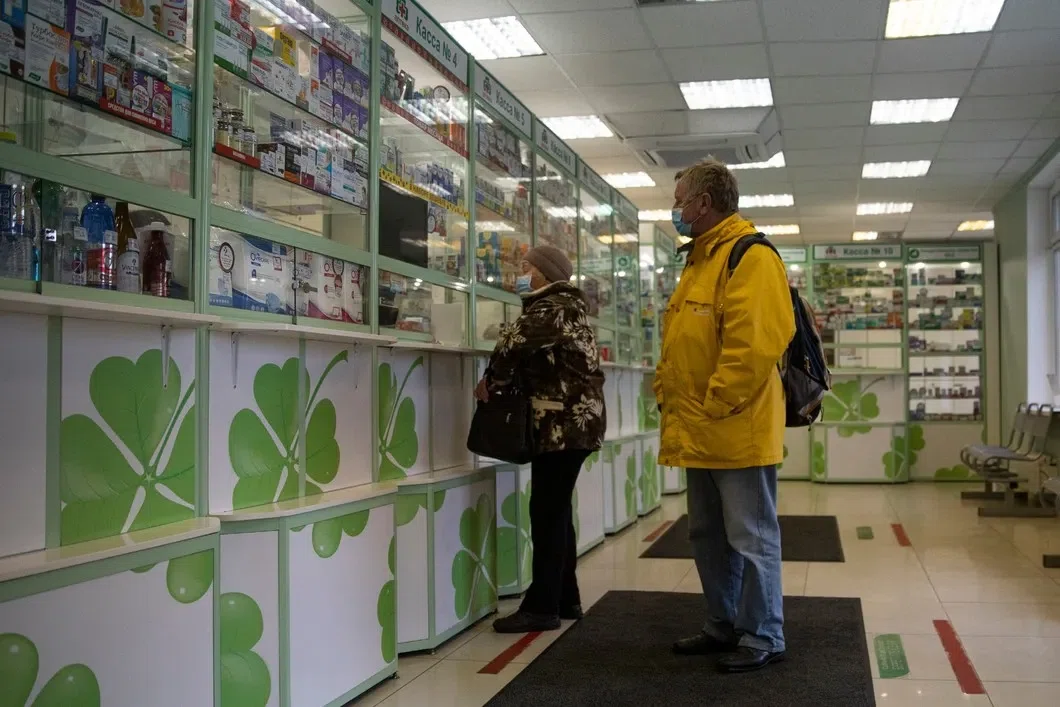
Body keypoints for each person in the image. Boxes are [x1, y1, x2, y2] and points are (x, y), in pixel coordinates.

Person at [655, 159, 795, 673]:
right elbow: (681, 340)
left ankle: (764, 633)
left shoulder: (751, 256)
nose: (675, 209)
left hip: (735, 426)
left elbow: (753, 345)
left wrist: (715, 403)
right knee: (707, 536)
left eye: (679, 200)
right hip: (697, 426)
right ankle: (723, 624)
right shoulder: (698, 260)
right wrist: (667, 393)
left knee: (751, 537)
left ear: (703, 203)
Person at [476, 245, 606, 634]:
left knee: (547, 512)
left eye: (526, 266)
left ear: (545, 274)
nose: (521, 272)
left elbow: (511, 344)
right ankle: (565, 598)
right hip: (571, 424)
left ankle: (542, 607)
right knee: (556, 510)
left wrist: (491, 380)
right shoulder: (566, 306)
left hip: (562, 424)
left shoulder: (552, 307)